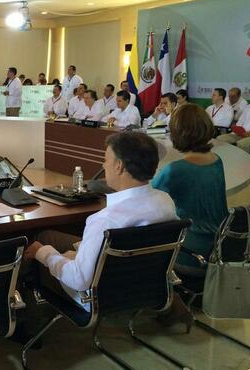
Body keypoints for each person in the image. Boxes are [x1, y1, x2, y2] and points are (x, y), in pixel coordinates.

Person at [24, 132, 176, 309]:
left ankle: (28, 310)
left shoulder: (104, 221)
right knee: (48, 237)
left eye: (105, 160)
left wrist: (43, 253)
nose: (103, 165)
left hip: (97, 297)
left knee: (40, 247)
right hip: (143, 287)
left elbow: (79, 280)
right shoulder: (166, 203)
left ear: (119, 166)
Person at [152, 103, 228, 274]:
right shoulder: (217, 160)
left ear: (177, 133)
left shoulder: (175, 169)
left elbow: (146, 198)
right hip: (219, 248)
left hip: (190, 254)